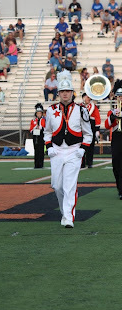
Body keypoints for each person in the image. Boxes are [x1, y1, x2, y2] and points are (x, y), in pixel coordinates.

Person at [44, 73, 93, 228]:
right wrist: (49, 147)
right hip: (57, 151)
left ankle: (68, 217)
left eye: (68, 91)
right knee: (57, 186)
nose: (65, 94)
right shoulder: (51, 110)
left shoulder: (81, 110)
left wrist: (83, 150)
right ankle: (64, 212)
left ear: (72, 93)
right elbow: (47, 132)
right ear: (58, 93)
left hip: (74, 151)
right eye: (62, 91)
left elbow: (88, 134)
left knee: (69, 186)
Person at [105, 84, 122, 200]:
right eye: (119, 96)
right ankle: (120, 188)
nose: (120, 98)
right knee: (116, 163)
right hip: (117, 137)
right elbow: (106, 125)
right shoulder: (112, 111)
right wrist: (113, 117)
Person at [81, 93, 100, 168]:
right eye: (87, 97)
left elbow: (97, 117)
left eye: (89, 97)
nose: (88, 99)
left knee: (90, 145)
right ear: (83, 98)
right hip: (81, 126)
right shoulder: (79, 106)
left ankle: (89, 162)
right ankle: (82, 163)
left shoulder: (94, 107)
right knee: (81, 145)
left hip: (91, 126)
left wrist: (97, 130)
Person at [29, 103, 46, 169]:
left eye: (40, 113)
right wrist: (35, 127)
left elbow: (46, 128)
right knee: (36, 150)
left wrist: (41, 127)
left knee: (41, 150)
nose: (39, 114)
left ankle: (41, 164)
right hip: (35, 136)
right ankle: (36, 164)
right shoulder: (33, 121)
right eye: (37, 113)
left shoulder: (44, 120)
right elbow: (30, 129)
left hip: (42, 136)